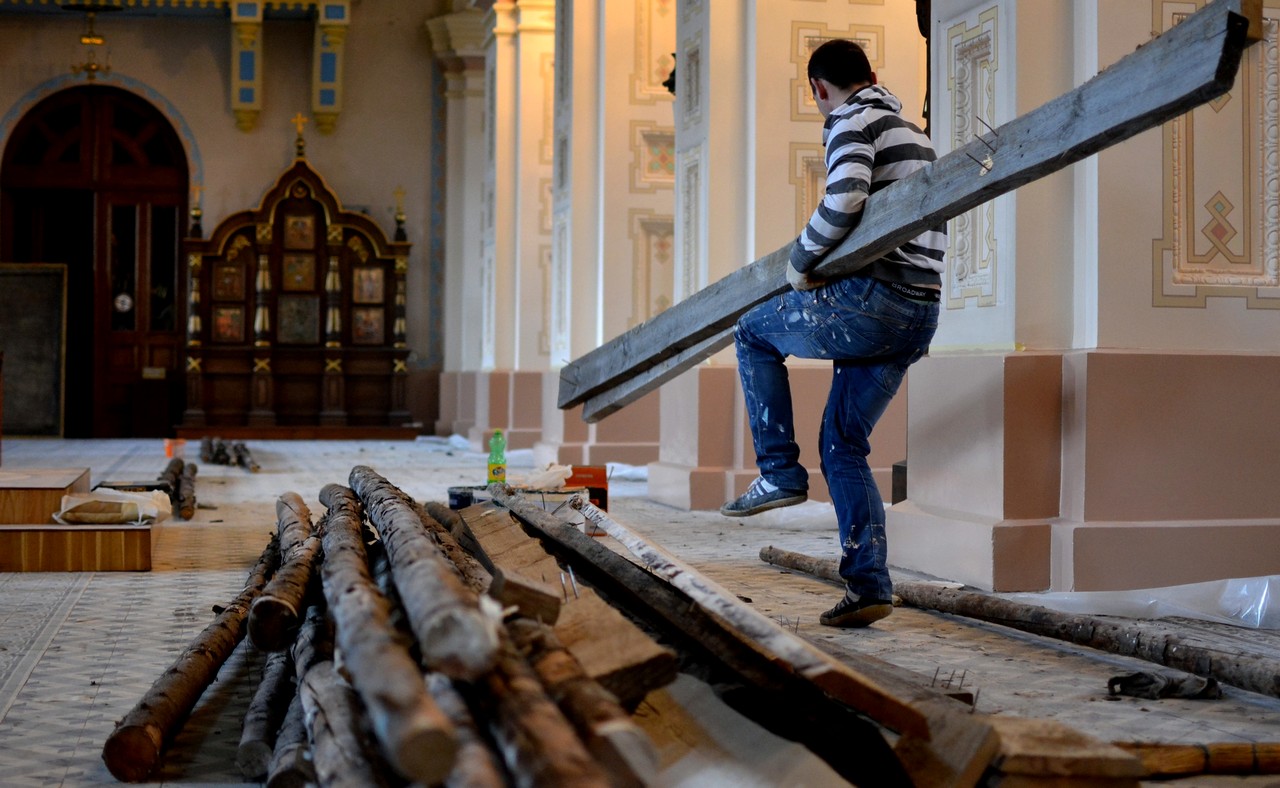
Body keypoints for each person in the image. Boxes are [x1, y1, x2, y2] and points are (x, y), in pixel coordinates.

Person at [720, 39, 944, 628]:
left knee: (751, 332)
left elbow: (845, 197)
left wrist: (800, 262)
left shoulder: (850, 119)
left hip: (874, 303)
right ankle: (868, 586)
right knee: (844, 446)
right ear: (872, 73)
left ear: (819, 88)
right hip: (920, 312)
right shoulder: (912, 131)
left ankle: (777, 471)